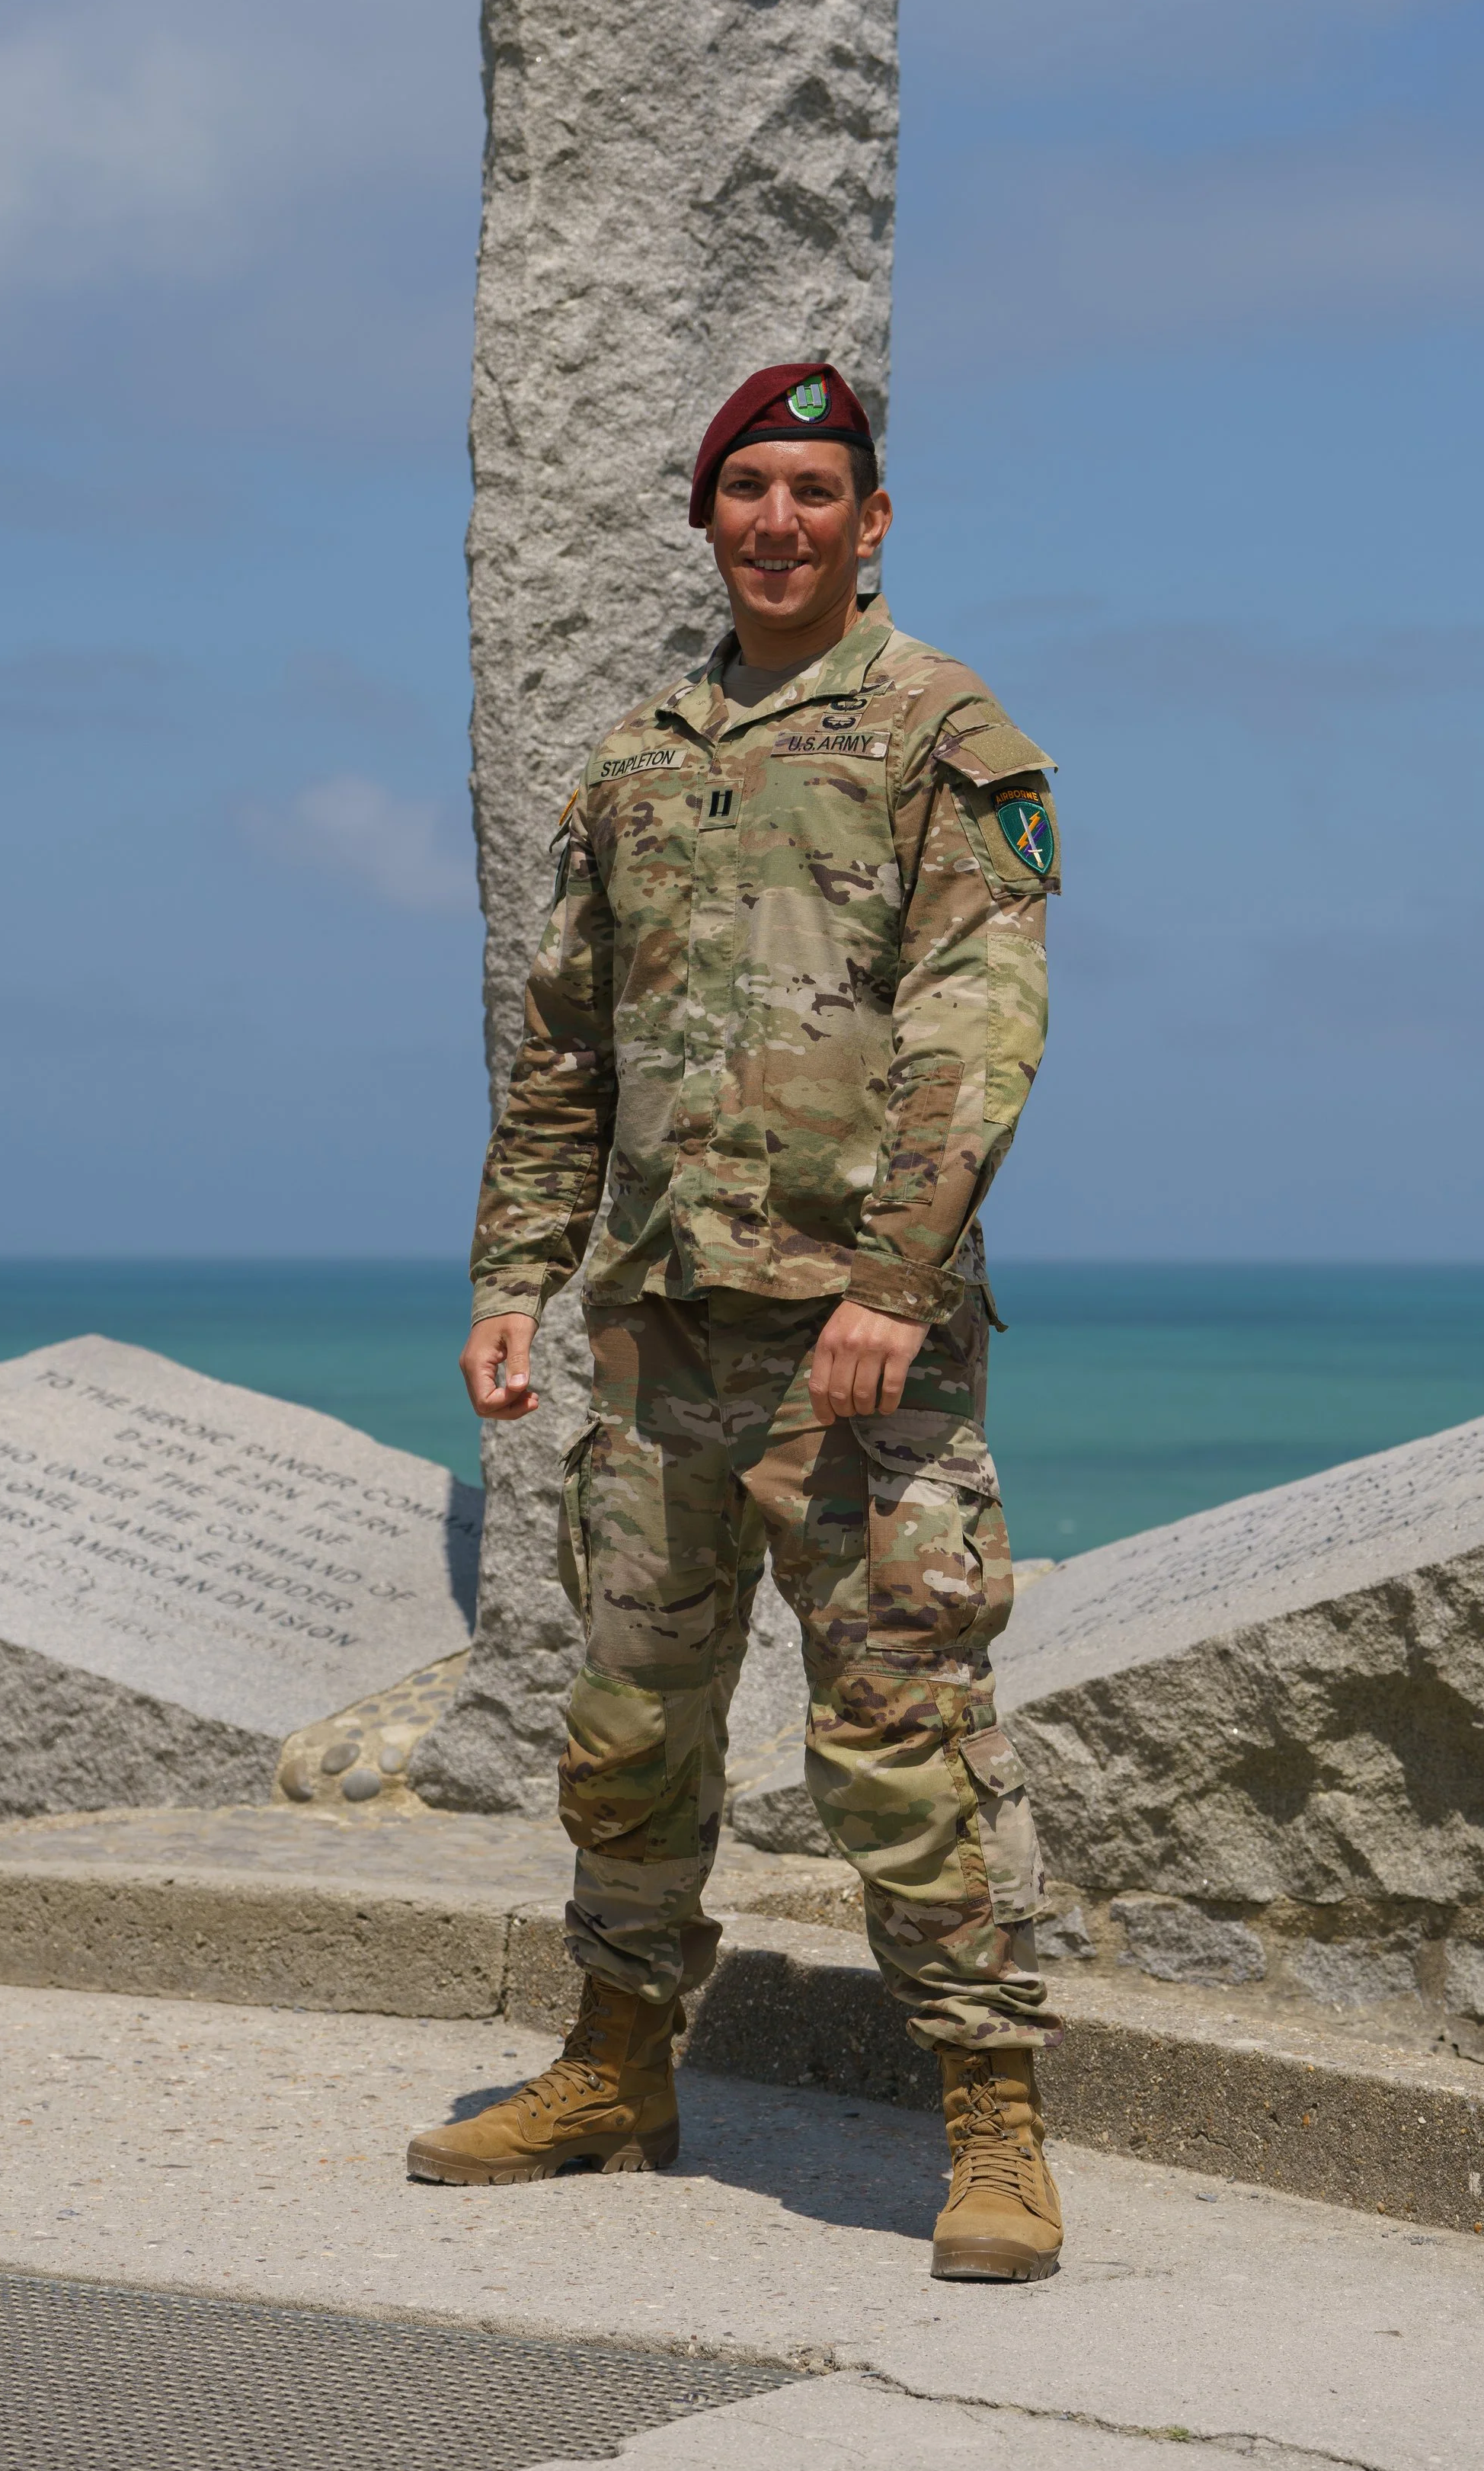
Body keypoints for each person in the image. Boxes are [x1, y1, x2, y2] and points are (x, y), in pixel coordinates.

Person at [407, 363, 1064, 2281]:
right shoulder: (631, 758)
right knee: (627, 1725)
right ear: (705, 519)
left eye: (812, 489)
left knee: (904, 1737)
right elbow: (564, 1049)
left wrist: (890, 1280)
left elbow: (975, 1027)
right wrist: (512, 1276)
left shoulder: (944, 730)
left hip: (858, 1352)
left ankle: (992, 2121)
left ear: (871, 521)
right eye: (745, 489)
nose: (777, 520)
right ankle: (617, 2066)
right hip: (654, 1343)